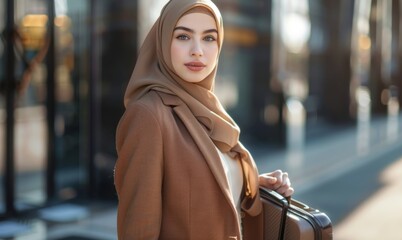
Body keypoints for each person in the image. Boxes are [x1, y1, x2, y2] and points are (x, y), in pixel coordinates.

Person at [114, 0, 294, 239]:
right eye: (183, 37)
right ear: (164, 40)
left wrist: (247, 183)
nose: (197, 50)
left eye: (209, 38)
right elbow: (138, 230)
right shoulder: (148, 115)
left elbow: (194, 193)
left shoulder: (208, 108)